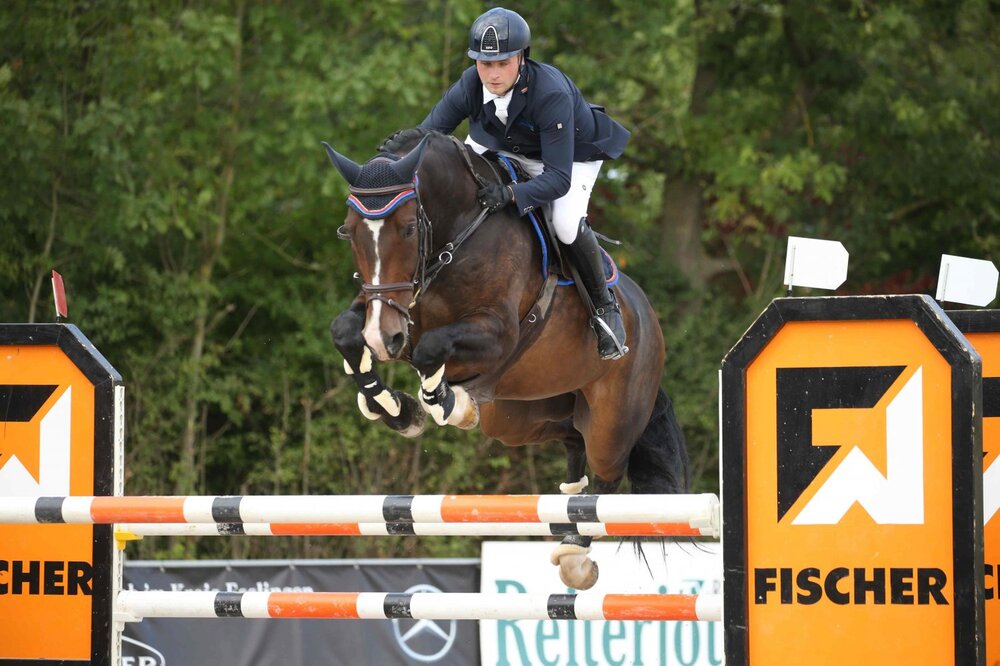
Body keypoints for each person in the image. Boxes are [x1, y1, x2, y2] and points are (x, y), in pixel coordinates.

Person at [419, 7, 631, 360]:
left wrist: (510, 194)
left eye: (503, 63)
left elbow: (557, 179)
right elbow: (427, 138)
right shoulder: (470, 83)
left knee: (564, 224)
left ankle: (604, 308)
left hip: (569, 157)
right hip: (504, 143)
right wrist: (392, 167)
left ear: (521, 57)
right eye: (485, 64)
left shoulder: (549, 93)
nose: (493, 74)